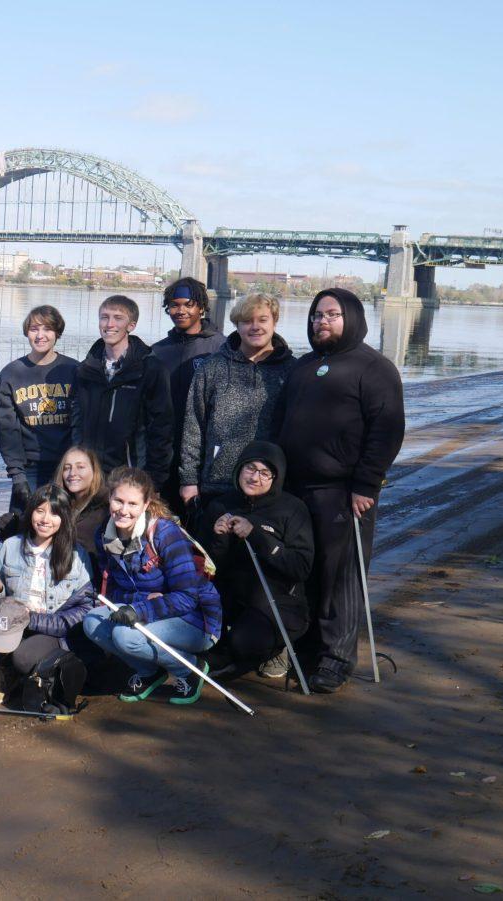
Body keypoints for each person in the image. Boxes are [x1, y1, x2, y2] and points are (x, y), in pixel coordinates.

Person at [276, 288, 404, 694]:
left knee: (341, 576)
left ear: (350, 317)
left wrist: (367, 484)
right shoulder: (304, 366)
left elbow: (387, 431)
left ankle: (337, 659)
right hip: (297, 489)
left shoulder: (375, 368)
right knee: (306, 571)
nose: (322, 321)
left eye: (331, 314)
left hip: (344, 490)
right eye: (316, 315)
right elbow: (282, 423)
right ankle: (308, 648)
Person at [82, 467, 222, 705]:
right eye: (118, 500)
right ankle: (150, 672)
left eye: (132, 504)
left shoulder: (165, 534)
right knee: (92, 621)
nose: (123, 510)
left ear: (146, 504)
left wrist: (140, 610)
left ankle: (188, 669)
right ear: (109, 498)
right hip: (148, 613)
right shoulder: (103, 534)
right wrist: (127, 606)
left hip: (196, 621)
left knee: (126, 636)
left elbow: (188, 597)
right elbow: (116, 585)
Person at [200, 441, 313, 681]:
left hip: (276, 601)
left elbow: (300, 567)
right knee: (201, 642)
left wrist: (258, 536)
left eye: (264, 473)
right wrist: (219, 538)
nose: (255, 477)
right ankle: (226, 650)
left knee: (245, 642)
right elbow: (206, 566)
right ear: (238, 469)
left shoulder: (292, 509)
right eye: (249, 468)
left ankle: (277, 648)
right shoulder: (220, 505)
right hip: (231, 597)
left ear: (276, 477)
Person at [179, 292, 295, 523]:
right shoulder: (213, 368)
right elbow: (194, 425)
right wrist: (189, 480)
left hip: (270, 487)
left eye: (262, 320)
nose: (255, 327)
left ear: (274, 322)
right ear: (237, 325)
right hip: (218, 483)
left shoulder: (292, 370)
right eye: (247, 321)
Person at [0, 485, 94, 703]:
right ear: (31, 512)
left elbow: (85, 606)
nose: (46, 519)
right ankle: (4, 671)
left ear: (64, 518)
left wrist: (44, 622)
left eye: (54, 513)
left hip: (52, 629)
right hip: (16, 624)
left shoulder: (77, 555)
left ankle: (28, 670)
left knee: (23, 657)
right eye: (40, 510)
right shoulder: (11, 546)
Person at [70, 295, 174, 490]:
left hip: (131, 476)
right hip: (90, 476)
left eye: (118, 318)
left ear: (131, 325)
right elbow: (76, 422)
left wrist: (154, 481)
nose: (109, 324)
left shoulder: (151, 369)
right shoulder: (85, 369)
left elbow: (161, 430)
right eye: (104, 317)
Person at [147, 277, 226, 509]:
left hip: (204, 454)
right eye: (174, 304)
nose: (180, 310)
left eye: (188, 304)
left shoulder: (220, 348)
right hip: (164, 454)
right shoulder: (157, 352)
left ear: (201, 307)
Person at [0, 304, 78, 512]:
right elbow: (7, 430)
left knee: (65, 525)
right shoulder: (11, 374)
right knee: (21, 527)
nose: (40, 335)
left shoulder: (74, 370)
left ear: (57, 333)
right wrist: (17, 476)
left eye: (47, 329)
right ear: (27, 332)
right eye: (34, 329)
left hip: (66, 466)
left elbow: (81, 422)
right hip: (28, 467)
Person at [54, 445, 109, 583]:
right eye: (67, 468)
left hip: (93, 584)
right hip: (64, 580)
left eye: (80, 467)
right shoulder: (59, 504)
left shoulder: (106, 506)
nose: (72, 473)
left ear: (94, 471)